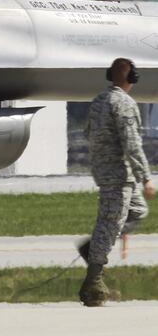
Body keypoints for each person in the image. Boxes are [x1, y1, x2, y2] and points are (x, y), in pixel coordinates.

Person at [78, 58, 155, 307]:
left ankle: (93, 247)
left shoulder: (99, 101)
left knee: (138, 211)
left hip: (105, 171)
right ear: (131, 78)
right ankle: (93, 285)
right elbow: (131, 144)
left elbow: (88, 133)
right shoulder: (123, 103)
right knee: (109, 226)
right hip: (118, 176)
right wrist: (146, 177)